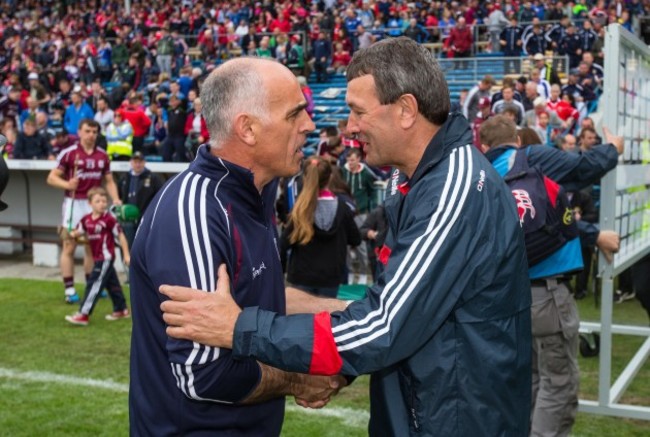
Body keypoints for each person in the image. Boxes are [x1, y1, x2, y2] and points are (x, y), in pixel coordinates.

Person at [159, 37, 532, 436]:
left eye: (358, 112)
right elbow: (400, 308)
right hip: (427, 410)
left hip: (457, 420)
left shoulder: (452, 188)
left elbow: (383, 325)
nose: (349, 127)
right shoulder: (411, 180)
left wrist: (239, 328)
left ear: (406, 110)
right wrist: (341, 367)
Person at [129, 57, 344, 436]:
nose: (308, 126)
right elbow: (203, 374)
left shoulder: (256, 192)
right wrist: (298, 379)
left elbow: (260, 296)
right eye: (295, 114)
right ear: (248, 129)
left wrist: (353, 312)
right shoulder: (195, 211)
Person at [479, 115, 623, 437]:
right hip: (547, 294)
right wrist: (612, 149)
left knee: (530, 381)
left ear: (484, 147)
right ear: (517, 141)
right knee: (558, 385)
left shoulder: (479, 175)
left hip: (506, 298)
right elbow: (583, 169)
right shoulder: (531, 158)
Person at [46, 119, 121, 303]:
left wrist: (116, 198)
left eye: (95, 132)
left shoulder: (103, 155)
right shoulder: (69, 153)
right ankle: (69, 289)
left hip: (92, 204)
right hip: (73, 204)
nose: (91, 135)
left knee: (91, 246)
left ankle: (91, 284)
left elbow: (109, 180)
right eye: (88, 131)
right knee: (69, 245)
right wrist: (67, 183)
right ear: (79, 132)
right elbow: (51, 178)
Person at [280, 157, 361, 298]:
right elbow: (356, 239)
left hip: (302, 276)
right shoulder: (342, 208)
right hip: (330, 276)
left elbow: (283, 244)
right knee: (325, 319)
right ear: (330, 178)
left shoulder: (301, 209)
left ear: (306, 178)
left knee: (301, 319)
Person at [64, 187, 131, 326]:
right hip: (97, 258)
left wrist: (126, 254)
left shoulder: (109, 219)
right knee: (111, 283)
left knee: (93, 283)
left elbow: (120, 235)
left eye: (104, 201)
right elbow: (78, 232)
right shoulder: (86, 220)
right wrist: (70, 234)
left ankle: (83, 314)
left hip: (105, 258)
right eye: (98, 201)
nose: (102, 203)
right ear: (90, 204)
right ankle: (122, 309)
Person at [116, 152, 164, 249]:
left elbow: (161, 196)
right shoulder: (124, 177)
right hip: (127, 220)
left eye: (140, 162)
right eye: (135, 162)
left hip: (145, 219)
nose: (138, 164)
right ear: (131, 162)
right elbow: (118, 196)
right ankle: (127, 262)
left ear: (144, 162)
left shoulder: (153, 178)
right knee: (127, 244)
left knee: (143, 245)